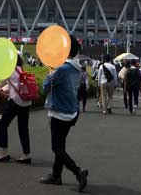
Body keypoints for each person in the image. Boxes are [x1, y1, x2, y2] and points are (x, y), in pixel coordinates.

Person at [40, 35, 89, 192]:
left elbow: (45, 86)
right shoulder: (76, 68)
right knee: (61, 145)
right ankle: (56, 175)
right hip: (72, 112)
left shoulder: (62, 69)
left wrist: (51, 72)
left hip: (60, 113)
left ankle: (78, 172)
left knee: (56, 147)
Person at [0, 55, 31, 164]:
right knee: (23, 129)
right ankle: (26, 155)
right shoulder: (21, 69)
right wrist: (1, 90)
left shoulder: (9, 70)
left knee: (3, 124)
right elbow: (12, 85)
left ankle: (4, 153)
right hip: (26, 102)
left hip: (15, 102)